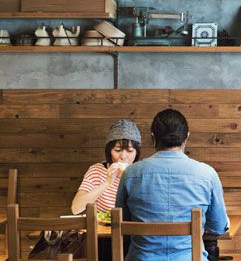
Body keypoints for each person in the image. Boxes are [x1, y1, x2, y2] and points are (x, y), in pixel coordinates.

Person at [116, 108, 229, 261]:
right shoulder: (207, 174)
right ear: (186, 138)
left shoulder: (130, 173)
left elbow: (122, 222)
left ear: (153, 137)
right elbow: (218, 226)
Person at [72, 119, 142, 215]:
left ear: (136, 152)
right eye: (117, 150)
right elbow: (76, 208)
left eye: (129, 151)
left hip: (133, 228)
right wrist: (107, 182)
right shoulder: (96, 171)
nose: (123, 156)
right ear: (109, 151)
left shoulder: (142, 172)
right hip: (103, 228)